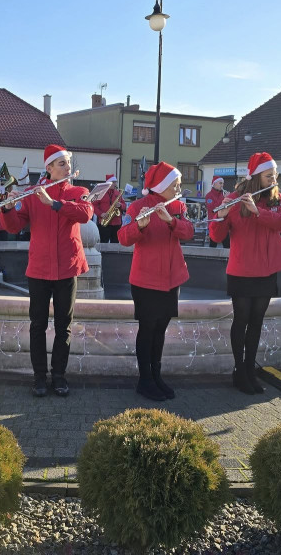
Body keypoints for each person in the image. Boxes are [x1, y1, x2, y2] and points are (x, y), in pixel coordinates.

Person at [0, 144, 93, 397]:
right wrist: (7, 209)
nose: (67, 167)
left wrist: (54, 203)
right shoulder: (31, 194)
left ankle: (59, 376)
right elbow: (14, 225)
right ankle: (39, 377)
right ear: (48, 168)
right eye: (61, 163)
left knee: (64, 326)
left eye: (68, 162)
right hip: (39, 269)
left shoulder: (78, 191)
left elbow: (86, 214)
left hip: (67, 268)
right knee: (37, 325)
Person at [210, 153, 281, 394]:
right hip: (242, 268)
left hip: (266, 269)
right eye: (270, 175)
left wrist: (258, 210)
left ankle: (250, 369)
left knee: (257, 322)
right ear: (256, 176)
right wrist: (221, 216)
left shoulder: (273, 199)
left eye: (275, 175)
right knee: (241, 320)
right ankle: (239, 371)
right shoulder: (234, 199)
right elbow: (216, 236)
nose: (274, 179)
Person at [118, 162, 192, 401]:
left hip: (172, 277)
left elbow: (188, 232)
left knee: (161, 328)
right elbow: (123, 238)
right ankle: (145, 380)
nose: (179, 188)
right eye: (175, 184)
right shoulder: (138, 206)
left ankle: (156, 375)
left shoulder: (178, 206)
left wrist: (171, 220)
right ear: (161, 186)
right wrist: (139, 226)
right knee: (148, 329)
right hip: (146, 279)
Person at [94, 174, 124, 243]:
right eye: (113, 182)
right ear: (108, 183)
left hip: (116, 223)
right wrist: (100, 214)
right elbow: (94, 205)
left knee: (115, 243)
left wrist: (120, 205)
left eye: (115, 182)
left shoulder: (118, 193)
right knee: (103, 243)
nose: (115, 184)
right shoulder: (101, 193)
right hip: (104, 222)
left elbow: (124, 205)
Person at [205, 177, 230, 248]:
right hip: (214, 224)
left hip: (224, 224)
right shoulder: (209, 195)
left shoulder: (222, 194)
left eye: (223, 183)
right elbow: (213, 209)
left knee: (227, 246)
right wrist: (224, 199)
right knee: (213, 245)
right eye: (220, 183)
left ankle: (228, 259)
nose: (222, 185)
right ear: (214, 184)